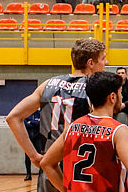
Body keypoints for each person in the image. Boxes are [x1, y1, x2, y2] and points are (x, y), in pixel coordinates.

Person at [6, 39, 107, 192]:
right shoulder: (94, 89)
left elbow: (13, 117)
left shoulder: (48, 84)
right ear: (91, 63)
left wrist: (33, 156)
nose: (106, 62)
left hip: (49, 170)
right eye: (103, 58)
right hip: (81, 170)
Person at [38, 72, 128, 192]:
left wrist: (66, 189)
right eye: (120, 93)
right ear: (112, 97)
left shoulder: (72, 127)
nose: (122, 97)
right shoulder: (118, 130)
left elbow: (46, 163)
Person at [22, 110, 41, 181]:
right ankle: (28, 174)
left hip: (37, 138)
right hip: (28, 138)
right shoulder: (26, 113)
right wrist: (34, 124)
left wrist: (32, 122)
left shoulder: (39, 113)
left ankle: (41, 173)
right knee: (28, 157)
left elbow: (40, 123)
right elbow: (25, 124)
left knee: (40, 156)